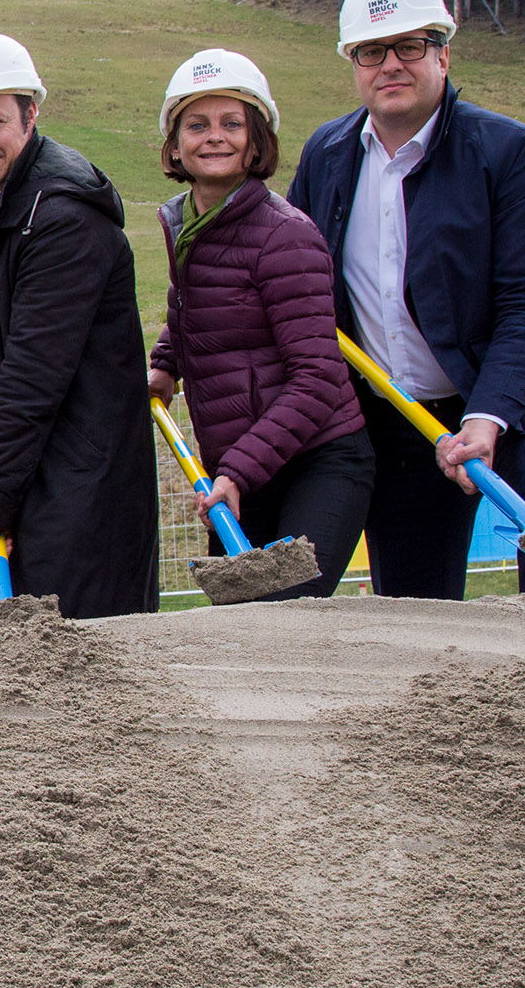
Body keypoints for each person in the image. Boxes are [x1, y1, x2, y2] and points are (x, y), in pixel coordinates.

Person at [289, 0, 525, 611]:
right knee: (417, 605)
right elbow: (289, 279)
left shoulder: (512, 153)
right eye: (372, 51)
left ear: (443, 53)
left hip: (516, 394)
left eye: (410, 45)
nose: (390, 64)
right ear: (353, 63)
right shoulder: (326, 155)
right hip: (401, 419)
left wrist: (487, 417)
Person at [0, 31, 157, 619]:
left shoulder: (62, 219)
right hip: (33, 470)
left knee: (87, 652)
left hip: (87, 480)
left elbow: (33, 375)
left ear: (31, 114)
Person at [144, 51, 369, 600]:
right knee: (239, 622)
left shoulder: (285, 235)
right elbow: (197, 306)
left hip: (317, 459)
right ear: (175, 145)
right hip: (242, 464)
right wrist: (165, 365)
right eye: (196, 125)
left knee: (282, 614)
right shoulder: (188, 223)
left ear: (256, 140)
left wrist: (236, 473)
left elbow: (317, 377)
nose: (214, 137)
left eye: (232, 123)